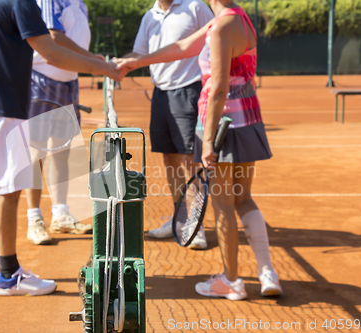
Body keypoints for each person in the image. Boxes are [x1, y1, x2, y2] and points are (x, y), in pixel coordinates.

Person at [117, 0, 282, 300]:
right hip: (247, 119)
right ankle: (268, 273)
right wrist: (132, 63)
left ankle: (231, 281)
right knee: (243, 199)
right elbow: (181, 48)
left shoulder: (219, 28)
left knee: (222, 205)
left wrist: (208, 142)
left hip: (222, 127)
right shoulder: (239, 20)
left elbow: (218, 87)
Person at [0, 0, 125, 296]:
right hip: (3, 103)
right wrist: (102, 67)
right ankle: (9, 275)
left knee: (1, 180)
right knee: (10, 189)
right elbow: (50, 52)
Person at [125, 0, 214, 250]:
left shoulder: (196, 6)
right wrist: (115, 64)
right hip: (160, 94)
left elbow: (214, 39)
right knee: (169, 159)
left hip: (189, 92)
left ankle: (196, 225)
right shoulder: (149, 16)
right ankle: (180, 218)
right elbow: (138, 53)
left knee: (190, 160)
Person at [24, 0, 99, 246]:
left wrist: (87, 62)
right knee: (37, 152)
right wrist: (93, 60)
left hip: (69, 82)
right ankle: (34, 219)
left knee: (62, 151)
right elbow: (54, 37)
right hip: (41, 82)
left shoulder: (80, 4)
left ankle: (61, 215)